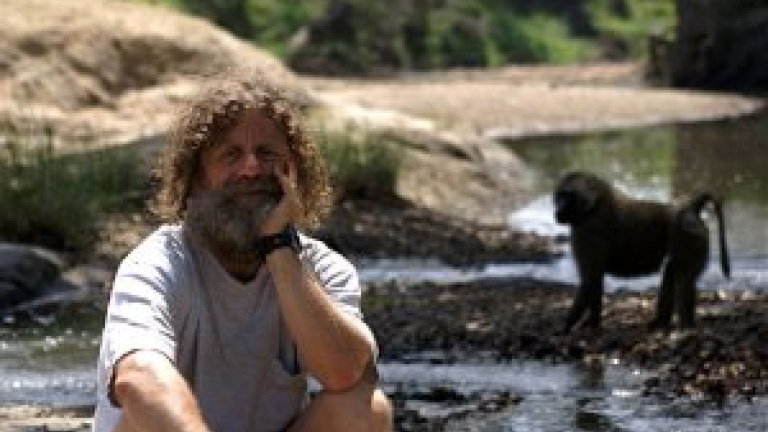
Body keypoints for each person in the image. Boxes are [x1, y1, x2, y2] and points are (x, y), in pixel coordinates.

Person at [92, 70, 393, 432]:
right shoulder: (158, 263)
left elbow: (346, 373)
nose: (251, 168)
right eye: (230, 155)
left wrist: (278, 247)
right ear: (197, 179)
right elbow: (138, 378)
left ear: (295, 172)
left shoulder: (324, 269)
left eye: (266, 153)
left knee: (366, 409)